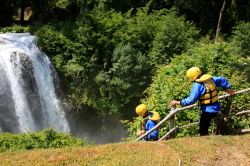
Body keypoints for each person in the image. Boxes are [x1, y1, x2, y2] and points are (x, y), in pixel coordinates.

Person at [170, 67, 235, 136]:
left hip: (208, 110)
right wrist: (227, 88)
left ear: (192, 77)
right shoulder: (210, 79)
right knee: (207, 125)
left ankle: (207, 141)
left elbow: (191, 100)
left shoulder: (198, 85)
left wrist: (178, 102)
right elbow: (221, 79)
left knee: (203, 130)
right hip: (216, 107)